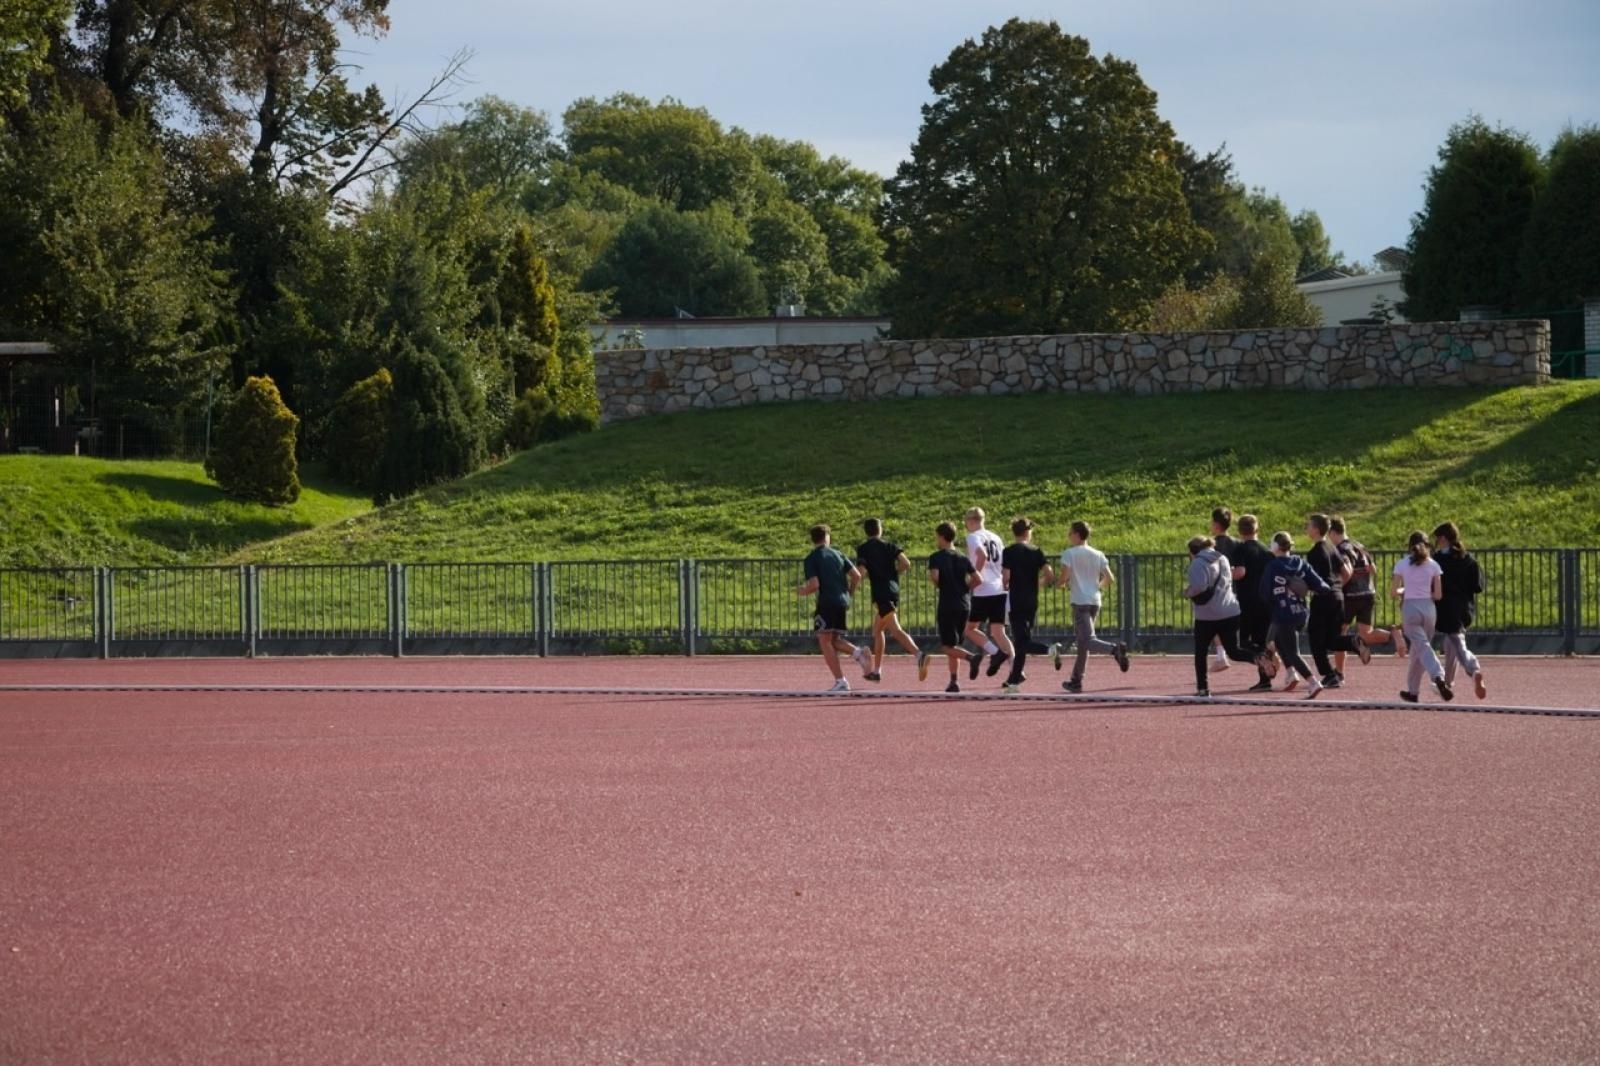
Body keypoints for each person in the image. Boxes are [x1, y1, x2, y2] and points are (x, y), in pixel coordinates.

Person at [1055, 520, 1130, 693]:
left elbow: (1064, 576)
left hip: (1080, 600)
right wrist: (1097, 587)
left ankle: (1115, 650)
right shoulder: (1098, 554)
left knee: (1088, 640)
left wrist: (1060, 584)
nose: (1068, 536)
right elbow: (1110, 578)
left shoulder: (1069, 553)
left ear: (1076, 534)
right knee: (1083, 643)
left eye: (1070, 533)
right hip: (1094, 600)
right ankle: (1076, 680)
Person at [797, 524, 871, 691]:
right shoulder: (838, 554)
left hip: (826, 602)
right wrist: (849, 592)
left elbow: (814, 584)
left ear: (812, 539)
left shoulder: (812, 558)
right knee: (834, 640)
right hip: (841, 601)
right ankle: (859, 654)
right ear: (827, 537)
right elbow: (857, 575)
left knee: (824, 640)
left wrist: (802, 591)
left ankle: (841, 681)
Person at [1183, 535, 1258, 698]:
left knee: (1201, 652)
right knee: (1234, 650)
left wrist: (1187, 592)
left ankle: (1203, 688)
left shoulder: (1197, 563)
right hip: (1230, 611)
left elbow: (1199, 587)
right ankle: (1258, 658)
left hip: (1207, 615)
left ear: (1193, 551)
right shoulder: (1222, 558)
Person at [1260, 531, 1330, 698]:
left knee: (1292, 651)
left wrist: (1276, 599)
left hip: (1283, 613)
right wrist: (1305, 587)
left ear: (1275, 546)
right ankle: (1291, 672)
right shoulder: (1301, 563)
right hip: (1300, 612)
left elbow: (1264, 593)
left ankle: (1313, 682)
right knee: (1275, 639)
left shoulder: (1273, 566)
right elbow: (1323, 586)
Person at [1328, 516, 1398, 676]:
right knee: (1366, 633)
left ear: (1332, 532)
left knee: (1339, 634)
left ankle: (1339, 672)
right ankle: (1394, 635)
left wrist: (1336, 586)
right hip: (1368, 594)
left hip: (1350, 596)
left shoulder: (1341, 549)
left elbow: (1347, 570)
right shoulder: (1359, 546)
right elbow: (1373, 569)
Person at [854, 518, 921, 682]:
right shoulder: (889, 545)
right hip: (893, 591)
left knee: (896, 630)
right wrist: (894, 573)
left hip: (881, 594)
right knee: (877, 631)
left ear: (866, 532)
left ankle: (919, 655)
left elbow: (861, 571)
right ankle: (877, 671)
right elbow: (906, 563)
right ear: (880, 530)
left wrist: (856, 582)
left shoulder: (863, 548)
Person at [1303, 513, 1365, 687]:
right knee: (1331, 638)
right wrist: (1336, 587)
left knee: (1315, 638)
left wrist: (1305, 588)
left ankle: (1329, 673)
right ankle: (1353, 642)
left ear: (1316, 529)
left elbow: (1312, 580)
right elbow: (1346, 571)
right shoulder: (1332, 548)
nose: (1307, 528)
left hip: (1322, 598)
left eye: (1309, 525)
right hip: (1337, 597)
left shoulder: (1314, 553)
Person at [1391, 530, 1453, 703]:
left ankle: (1438, 675)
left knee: (1422, 647)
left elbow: (1393, 592)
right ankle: (1413, 691)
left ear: (1409, 546)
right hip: (1429, 608)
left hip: (1410, 608)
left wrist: (1405, 590)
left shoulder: (1402, 564)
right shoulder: (1433, 565)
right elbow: (1438, 595)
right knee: (1418, 649)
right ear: (1427, 546)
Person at [1000, 517, 1058, 693]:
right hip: (1032, 599)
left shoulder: (1009, 551)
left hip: (1016, 599)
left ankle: (1049, 650)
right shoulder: (1036, 551)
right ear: (1027, 532)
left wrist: (1005, 585)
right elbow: (1049, 574)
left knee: (1022, 641)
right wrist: (1038, 584)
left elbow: (1006, 577)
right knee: (1021, 641)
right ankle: (1014, 683)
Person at [1433, 521, 1487, 700]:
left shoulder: (1437, 560)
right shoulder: (1468, 559)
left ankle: (1473, 668)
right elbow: (1478, 586)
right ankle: (1447, 683)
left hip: (1446, 608)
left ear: (1443, 538)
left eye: (1438, 539)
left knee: (1457, 643)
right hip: (1464, 607)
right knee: (1451, 645)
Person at [927, 521, 981, 693]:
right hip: (964, 604)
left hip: (947, 603)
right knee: (954, 644)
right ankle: (954, 681)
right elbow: (978, 578)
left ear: (942, 537)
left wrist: (938, 584)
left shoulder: (936, 557)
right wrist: (967, 588)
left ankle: (971, 658)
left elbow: (935, 577)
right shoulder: (963, 557)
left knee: (946, 646)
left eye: (937, 536)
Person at [962, 507, 1015, 681]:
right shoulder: (996, 537)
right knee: (999, 632)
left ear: (971, 521)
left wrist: (974, 575)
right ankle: (1016, 670)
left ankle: (996, 653)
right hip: (999, 587)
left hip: (984, 590)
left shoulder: (973, 537)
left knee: (970, 629)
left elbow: (982, 555)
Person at [1229, 514, 1280, 692]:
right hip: (1265, 601)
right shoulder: (1267, 552)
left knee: (1241, 641)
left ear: (1239, 531)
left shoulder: (1241, 549)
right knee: (1261, 639)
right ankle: (1265, 680)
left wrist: (1228, 573)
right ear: (1257, 529)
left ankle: (1259, 658)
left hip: (1247, 600)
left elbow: (1241, 572)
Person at [1208, 507, 1238, 674]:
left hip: (1218, 589)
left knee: (1211, 622)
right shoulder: (1236, 543)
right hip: (1235, 589)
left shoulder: (1212, 545)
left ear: (1216, 524)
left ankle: (1221, 655)